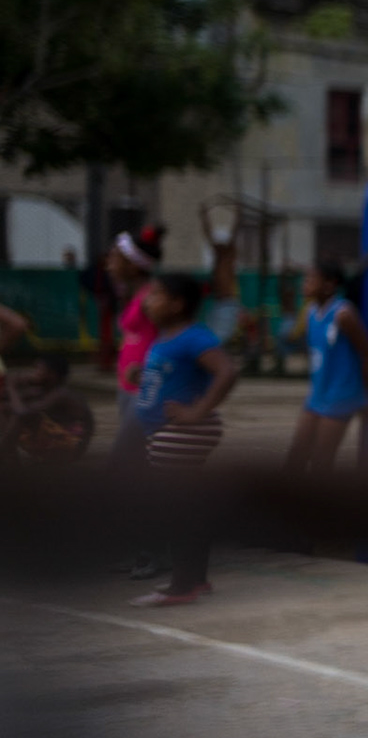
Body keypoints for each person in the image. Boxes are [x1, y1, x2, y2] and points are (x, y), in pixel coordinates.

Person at [130, 273, 239, 606]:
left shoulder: (194, 337)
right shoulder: (167, 338)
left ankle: (182, 586)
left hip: (182, 432)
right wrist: (140, 374)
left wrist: (197, 412)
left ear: (178, 304)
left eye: (156, 295)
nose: (148, 301)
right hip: (167, 432)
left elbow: (227, 371)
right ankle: (197, 579)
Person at [285, 261, 368, 472]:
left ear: (329, 285)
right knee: (295, 456)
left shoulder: (343, 315)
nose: (304, 284)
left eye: (310, 280)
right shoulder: (310, 312)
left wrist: (367, 396)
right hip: (318, 393)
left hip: (341, 395)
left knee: (321, 460)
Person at [104, 226, 166, 470]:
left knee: (121, 459)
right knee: (137, 458)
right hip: (128, 385)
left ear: (132, 265)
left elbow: (167, 334)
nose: (108, 263)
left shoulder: (152, 296)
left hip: (145, 385)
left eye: (114, 258)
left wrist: (152, 369)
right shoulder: (136, 294)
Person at [1, 350, 95, 465]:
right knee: (4, 407)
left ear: (52, 375)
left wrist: (12, 387)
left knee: (21, 416)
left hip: (70, 448)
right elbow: (7, 399)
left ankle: (5, 454)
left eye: (38, 370)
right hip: (55, 440)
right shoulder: (44, 389)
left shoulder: (61, 393)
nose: (34, 373)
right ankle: (10, 457)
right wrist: (18, 385)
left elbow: (22, 413)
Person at [198, 204, 243, 345]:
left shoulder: (228, 260)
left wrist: (238, 217)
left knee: (219, 337)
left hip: (227, 303)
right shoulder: (217, 263)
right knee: (210, 333)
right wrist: (204, 217)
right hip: (218, 304)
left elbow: (234, 235)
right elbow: (209, 235)